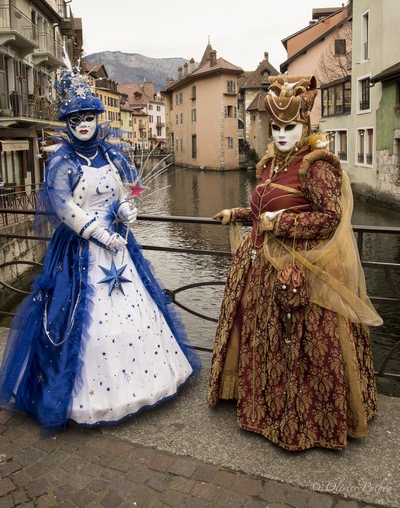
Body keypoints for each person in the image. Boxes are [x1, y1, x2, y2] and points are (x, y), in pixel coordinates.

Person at [0, 68, 200, 433]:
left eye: (88, 118)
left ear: (97, 119)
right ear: (68, 122)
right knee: (82, 321)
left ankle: (144, 384)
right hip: (80, 251)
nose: (83, 125)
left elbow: (122, 192)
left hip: (119, 248)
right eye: (75, 119)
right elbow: (64, 207)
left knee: (138, 311)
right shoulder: (62, 162)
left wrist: (125, 211)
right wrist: (98, 234)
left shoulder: (110, 157)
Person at [208, 74, 382, 451]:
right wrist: (237, 213)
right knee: (263, 340)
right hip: (258, 266)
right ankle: (257, 404)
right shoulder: (270, 164)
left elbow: (331, 218)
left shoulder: (316, 165)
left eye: (290, 126)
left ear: (304, 124)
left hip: (298, 269)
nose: (282, 133)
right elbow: (261, 211)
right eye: (276, 127)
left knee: (297, 347)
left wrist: (281, 223)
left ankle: (301, 419)